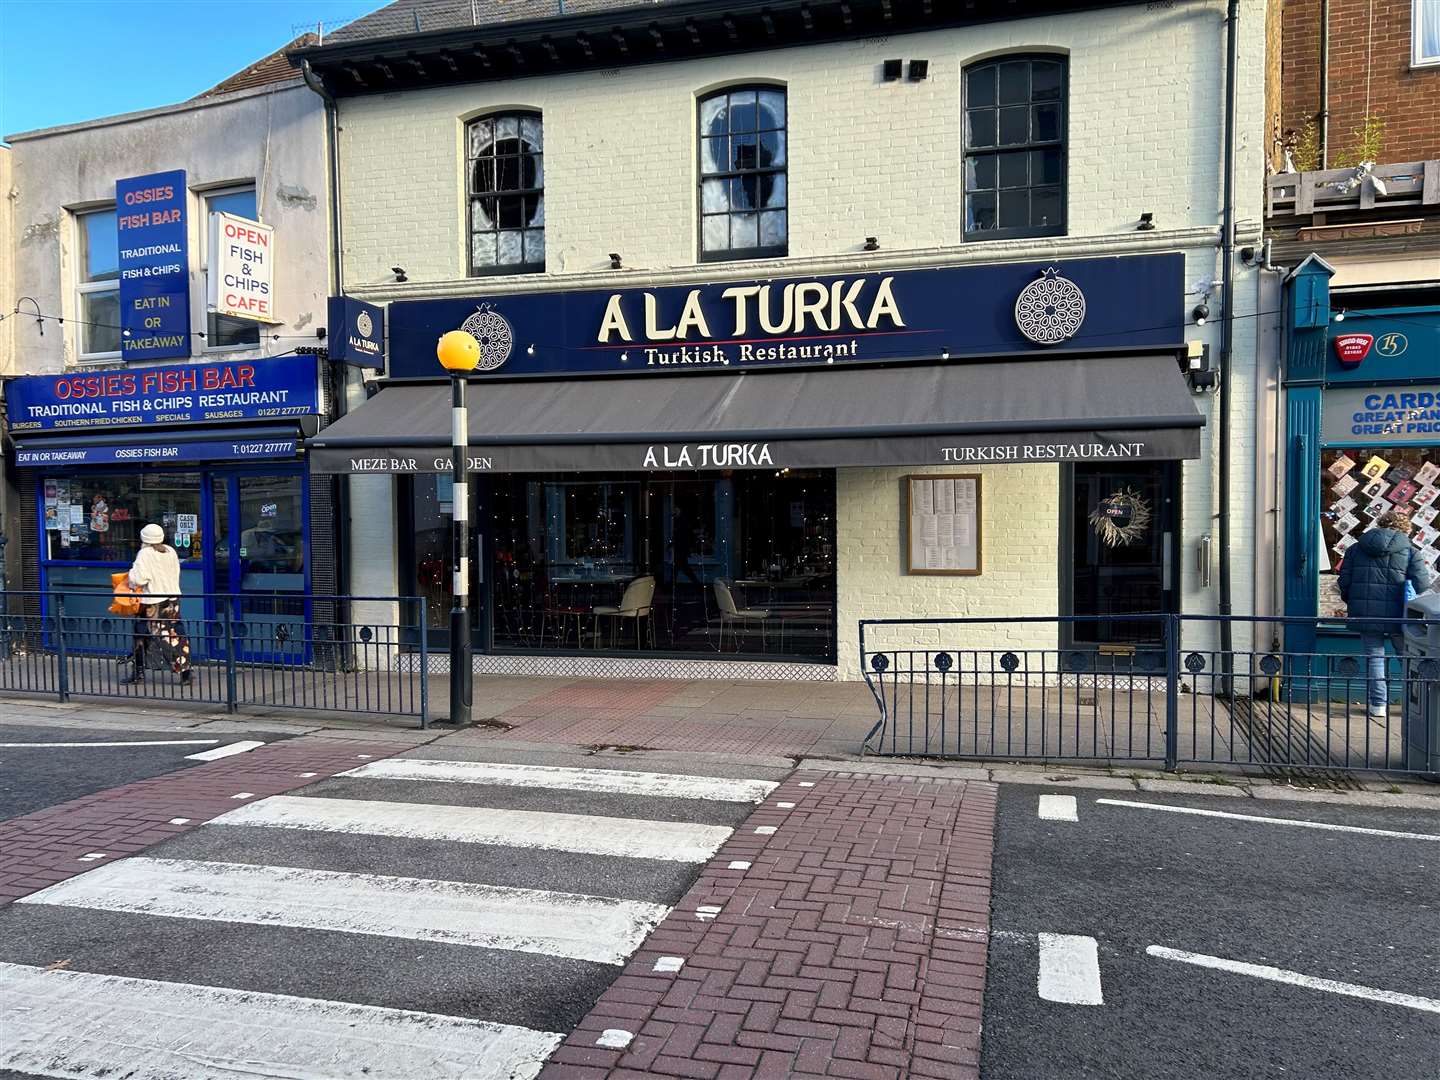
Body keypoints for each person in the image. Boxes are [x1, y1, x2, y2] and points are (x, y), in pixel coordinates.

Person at [1337, 510, 1434, 719]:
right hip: (1400, 615)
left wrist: (1353, 602)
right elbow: (1422, 584)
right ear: (1405, 530)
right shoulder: (1409, 552)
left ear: (1381, 524)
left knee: (1375, 659)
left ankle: (1378, 705)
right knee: (1408, 659)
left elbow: (1344, 581)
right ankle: (1413, 704)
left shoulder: (1356, 549)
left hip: (1367, 614)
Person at [126, 523, 192, 685]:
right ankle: (186, 672)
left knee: (142, 636)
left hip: (153, 602)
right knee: (175, 635)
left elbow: (138, 579)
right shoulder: (170, 551)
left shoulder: (145, 553)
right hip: (172, 599)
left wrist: (130, 575)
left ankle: (138, 673)